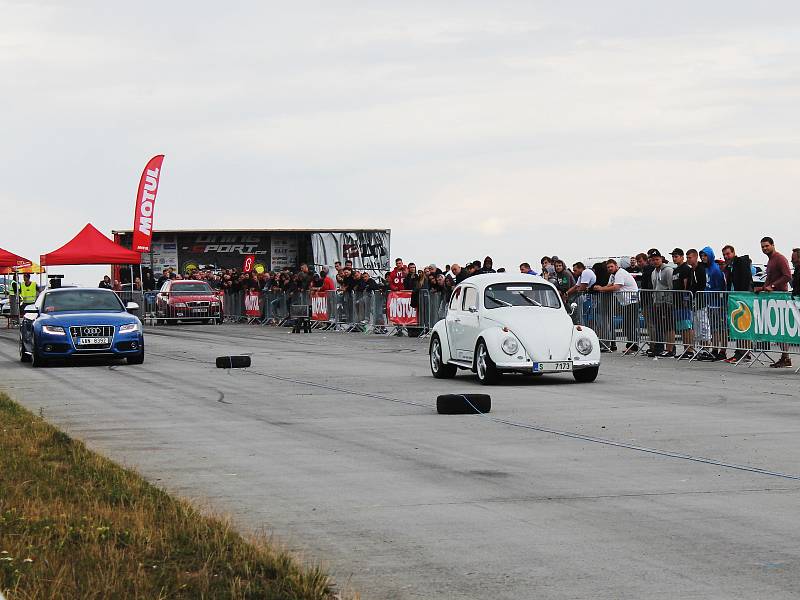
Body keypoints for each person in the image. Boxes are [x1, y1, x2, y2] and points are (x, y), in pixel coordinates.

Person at [754, 237, 792, 368]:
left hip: (781, 298)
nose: (764, 248)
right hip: (773, 299)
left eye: (766, 246)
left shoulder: (780, 258)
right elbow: (769, 279)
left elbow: (787, 275)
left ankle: (786, 357)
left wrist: (773, 287)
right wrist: (763, 288)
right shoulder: (770, 260)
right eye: (762, 247)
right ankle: (784, 357)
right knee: (777, 329)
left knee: (782, 328)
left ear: (773, 245)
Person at [595, 259, 639, 353]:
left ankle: (633, 346)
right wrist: (601, 288)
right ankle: (632, 345)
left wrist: (601, 289)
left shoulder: (620, 273)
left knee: (630, 324)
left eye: (611, 266)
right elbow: (609, 285)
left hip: (632, 301)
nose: (610, 268)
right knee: (627, 325)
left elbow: (616, 287)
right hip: (625, 302)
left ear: (616, 266)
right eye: (608, 267)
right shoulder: (613, 275)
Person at [721, 245, 754, 363]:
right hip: (735, 300)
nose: (726, 256)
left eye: (728, 254)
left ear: (734, 253)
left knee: (743, 327)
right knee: (738, 326)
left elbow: (745, 280)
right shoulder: (730, 266)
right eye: (724, 254)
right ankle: (742, 352)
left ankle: (742, 352)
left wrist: (742, 296)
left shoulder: (740, 263)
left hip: (743, 299)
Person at [650, 250, 676, 357]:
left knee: (669, 326)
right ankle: (662, 348)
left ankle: (670, 349)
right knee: (660, 326)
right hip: (658, 302)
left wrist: (670, 301)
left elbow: (671, 286)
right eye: (653, 260)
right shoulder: (653, 272)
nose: (655, 261)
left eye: (657, 259)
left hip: (667, 302)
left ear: (661, 259)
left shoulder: (668, 270)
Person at [670, 248, 694, 359]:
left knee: (686, 327)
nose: (674, 258)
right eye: (673, 256)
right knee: (682, 327)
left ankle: (689, 350)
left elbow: (685, 285)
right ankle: (686, 349)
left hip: (683, 303)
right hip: (676, 302)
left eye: (676, 256)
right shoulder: (675, 270)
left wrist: (685, 299)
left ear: (682, 257)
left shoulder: (685, 269)